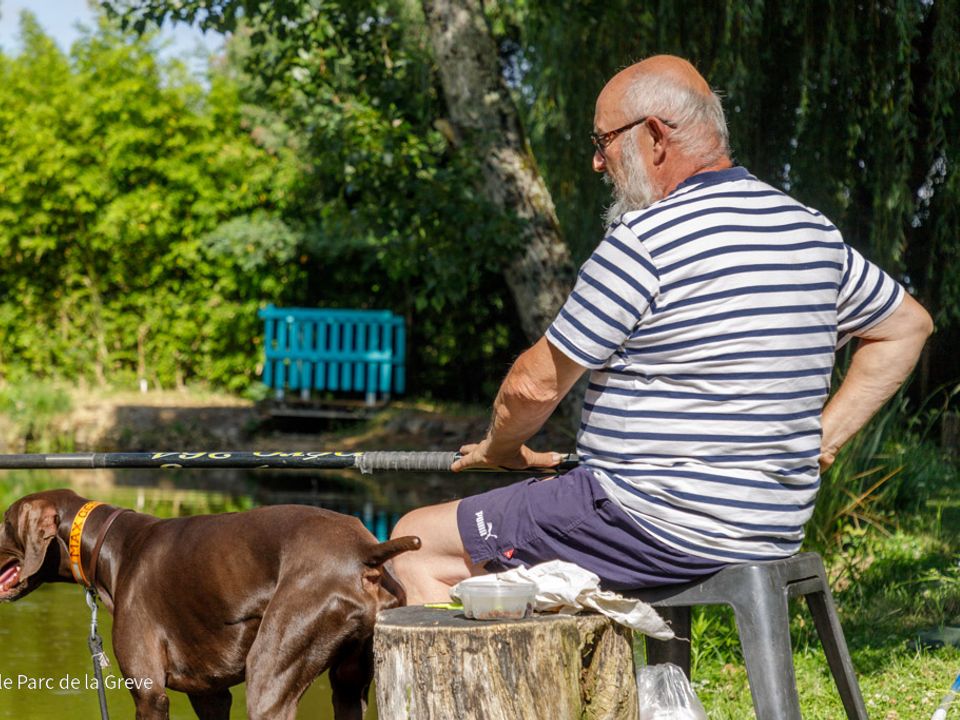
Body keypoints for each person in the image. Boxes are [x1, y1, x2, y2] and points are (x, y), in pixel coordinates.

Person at [390, 54, 933, 605]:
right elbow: (907, 325)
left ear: (653, 137)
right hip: (772, 530)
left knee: (414, 543)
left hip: (651, 525)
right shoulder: (809, 230)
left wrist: (501, 448)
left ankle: (481, 694)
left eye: (602, 142)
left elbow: (534, 385)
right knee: (546, 510)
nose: (598, 164)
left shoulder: (646, 240)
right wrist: (823, 439)